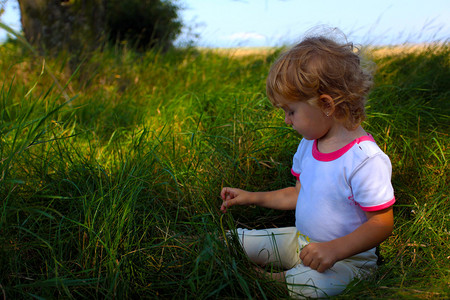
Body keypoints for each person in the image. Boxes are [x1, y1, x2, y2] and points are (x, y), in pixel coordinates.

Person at [219, 32, 395, 298]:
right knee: (239, 241)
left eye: (291, 111)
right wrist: (251, 197)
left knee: (311, 286)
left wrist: (335, 250)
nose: (287, 121)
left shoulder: (364, 160)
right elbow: (297, 194)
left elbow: (381, 223)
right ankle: (204, 247)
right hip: (301, 242)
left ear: (325, 105)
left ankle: (275, 281)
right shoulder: (309, 145)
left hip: (348, 260)